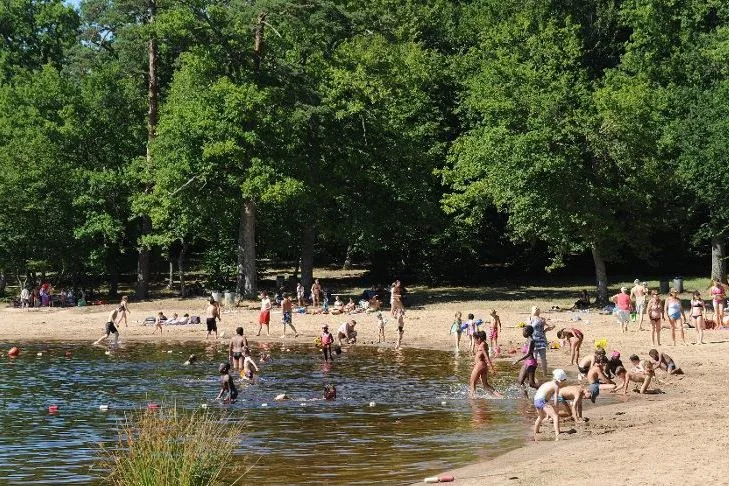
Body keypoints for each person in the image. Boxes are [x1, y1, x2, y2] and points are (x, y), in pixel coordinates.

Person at [533, 369, 568, 441]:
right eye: (564, 381)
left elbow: (542, 393)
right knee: (555, 416)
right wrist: (556, 409)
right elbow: (555, 399)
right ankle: (557, 433)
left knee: (541, 416)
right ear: (560, 380)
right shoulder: (556, 386)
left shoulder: (547, 383)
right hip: (542, 401)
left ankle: (535, 431)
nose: (563, 383)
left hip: (536, 400)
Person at [469, 331, 499, 398]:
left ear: (479, 339)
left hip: (480, 365)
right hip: (482, 365)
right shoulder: (483, 344)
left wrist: (492, 368)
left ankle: (472, 398)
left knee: (472, 383)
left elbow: (486, 356)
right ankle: (498, 396)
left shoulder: (482, 345)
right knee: (485, 385)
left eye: (475, 339)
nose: (475, 341)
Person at [513, 325, 539, 396]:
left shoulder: (531, 341)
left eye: (523, 331)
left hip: (531, 363)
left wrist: (518, 360)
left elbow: (528, 353)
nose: (523, 333)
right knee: (519, 382)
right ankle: (525, 399)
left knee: (532, 384)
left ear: (527, 332)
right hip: (526, 363)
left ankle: (546, 391)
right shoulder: (527, 340)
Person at [530, 306, 554, 377]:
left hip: (534, 340)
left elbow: (528, 329)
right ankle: (545, 374)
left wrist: (545, 330)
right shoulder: (542, 319)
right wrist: (545, 331)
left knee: (535, 358)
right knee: (542, 358)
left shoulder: (531, 318)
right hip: (541, 340)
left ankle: (533, 374)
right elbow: (553, 325)